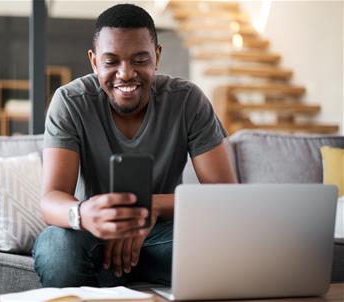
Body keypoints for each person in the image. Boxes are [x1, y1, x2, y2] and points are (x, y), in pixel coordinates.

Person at [32, 3, 237, 287]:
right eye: (111, 61)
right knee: (55, 246)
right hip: (96, 238)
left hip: (162, 238)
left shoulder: (187, 100)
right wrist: (82, 214)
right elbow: (51, 198)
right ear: (94, 62)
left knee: (226, 242)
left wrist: (150, 207)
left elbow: (226, 197)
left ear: (157, 56)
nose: (126, 73)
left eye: (140, 60)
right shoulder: (70, 102)